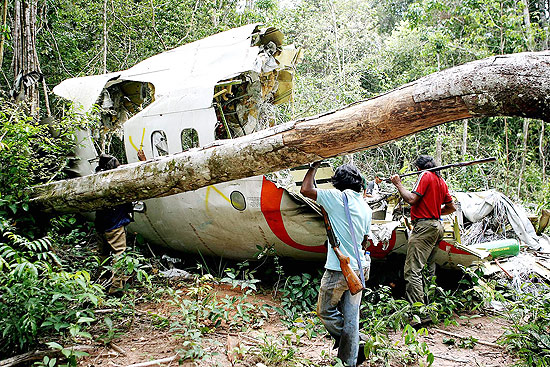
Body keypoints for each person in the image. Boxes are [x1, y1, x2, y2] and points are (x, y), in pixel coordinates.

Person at [301, 161, 372, 367]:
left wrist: (313, 167)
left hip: (339, 269)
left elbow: (306, 189)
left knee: (325, 311)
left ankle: (357, 341)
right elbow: (365, 239)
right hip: (361, 266)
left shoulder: (337, 198)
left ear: (338, 183)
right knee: (352, 318)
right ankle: (349, 359)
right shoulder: (365, 206)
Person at [390, 155, 456, 304]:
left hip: (424, 227)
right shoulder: (440, 181)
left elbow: (412, 199)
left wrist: (398, 184)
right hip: (437, 227)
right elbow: (451, 207)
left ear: (418, 168)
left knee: (412, 270)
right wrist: (435, 212)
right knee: (428, 268)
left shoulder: (425, 175)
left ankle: (419, 312)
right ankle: (430, 305)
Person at [95, 150, 146, 293]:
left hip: (100, 224)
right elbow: (140, 178)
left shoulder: (97, 178)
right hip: (114, 224)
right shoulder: (117, 180)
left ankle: (101, 284)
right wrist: (143, 161)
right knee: (119, 254)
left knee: (103, 255)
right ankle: (116, 288)